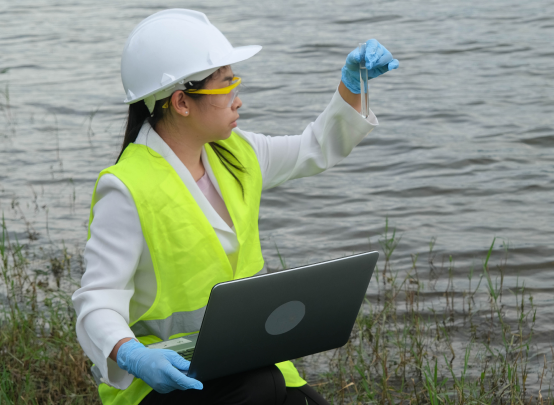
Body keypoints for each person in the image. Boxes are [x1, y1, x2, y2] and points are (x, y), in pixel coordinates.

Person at [72, 8, 399, 405]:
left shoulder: (236, 152)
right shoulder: (126, 188)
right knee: (261, 389)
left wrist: (352, 86)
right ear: (181, 102)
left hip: (247, 359)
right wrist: (134, 356)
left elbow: (314, 149)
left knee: (281, 391)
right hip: (165, 380)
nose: (238, 100)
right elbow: (97, 303)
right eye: (226, 86)